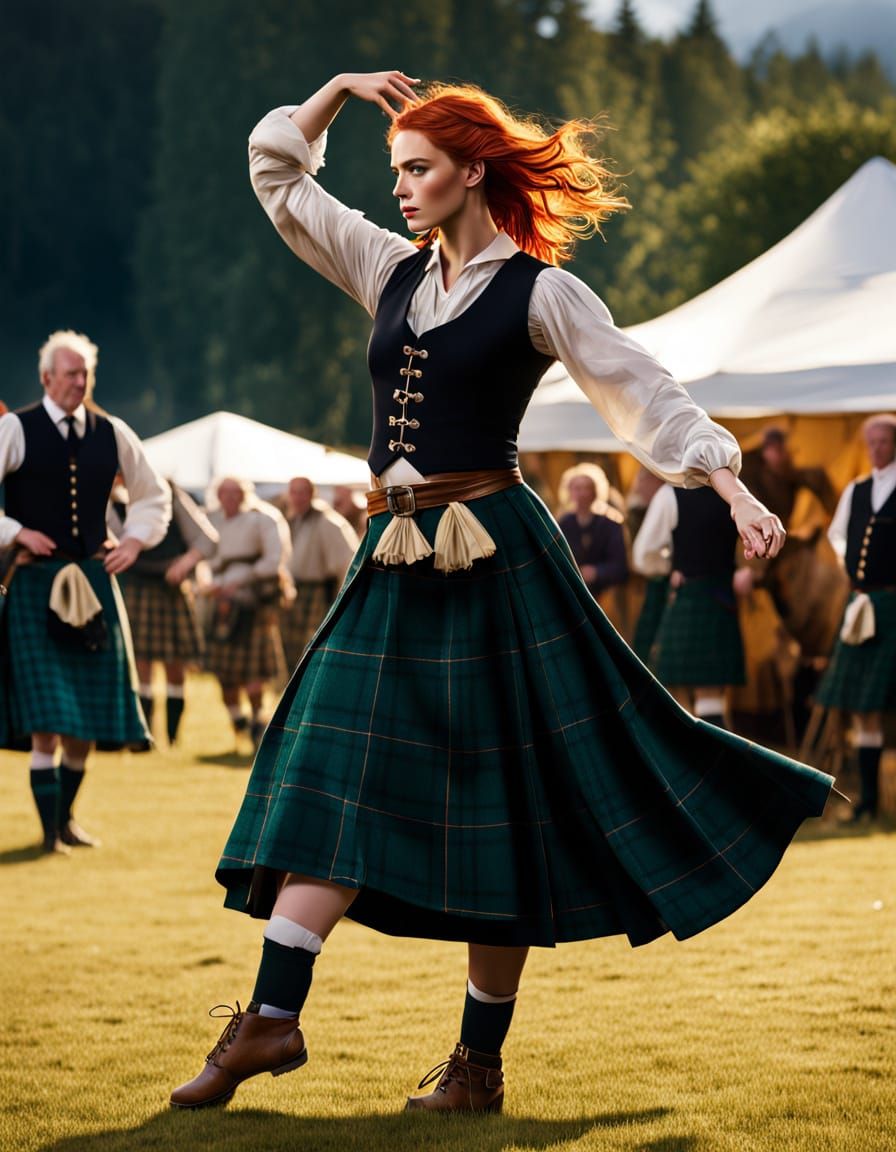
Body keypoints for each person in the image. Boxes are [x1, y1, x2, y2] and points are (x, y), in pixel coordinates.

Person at [169, 72, 833, 1113]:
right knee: (330, 768)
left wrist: (731, 485)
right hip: (390, 555)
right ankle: (271, 1017)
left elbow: (639, 389)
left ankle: (476, 1067)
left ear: (471, 172)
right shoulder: (385, 267)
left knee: (502, 809)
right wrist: (338, 93)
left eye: (419, 169)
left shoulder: (540, 290)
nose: (400, 189)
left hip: (495, 557)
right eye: (394, 172)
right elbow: (279, 176)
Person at [0, 330, 170, 853]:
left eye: (85, 374)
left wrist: (136, 541)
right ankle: (49, 834)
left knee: (85, 722)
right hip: (36, 582)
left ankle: (65, 819)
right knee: (48, 721)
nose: (79, 382)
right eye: (70, 373)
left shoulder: (112, 431)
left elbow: (153, 495)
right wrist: (14, 532)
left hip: (95, 580)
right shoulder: (15, 427)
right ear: (46, 377)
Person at [814, 413, 896, 821]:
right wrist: (850, 571)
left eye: (883, 441)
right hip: (860, 603)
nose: (876, 449)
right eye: (871, 442)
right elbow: (836, 534)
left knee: (881, 703)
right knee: (864, 706)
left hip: (892, 605)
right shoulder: (857, 489)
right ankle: (868, 802)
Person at [633, 483, 754, 729]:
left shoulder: (671, 494)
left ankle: (692, 760)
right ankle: (717, 759)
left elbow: (644, 556)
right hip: (722, 599)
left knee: (678, 691)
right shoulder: (737, 492)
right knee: (711, 694)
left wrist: (670, 568)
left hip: (689, 594)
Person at [109, 478, 219, 746]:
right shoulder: (108, 500)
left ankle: (171, 736)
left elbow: (207, 539)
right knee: (140, 663)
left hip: (171, 588)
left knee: (175, 666)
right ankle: (142, 738)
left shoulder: (169, 492)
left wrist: (185, 563)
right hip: (134, 586)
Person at [203, 477, 291, 748]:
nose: (230, 498)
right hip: (221, 606)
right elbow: (202, 557)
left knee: (255, 675)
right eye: (224, 493)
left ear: (245, 494)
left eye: (235, 492)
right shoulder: (210, 521)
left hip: (255, 605)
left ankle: (257, 724)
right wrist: (211, 586)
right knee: (225, 673)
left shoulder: (263, 519)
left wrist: (241, 580)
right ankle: (238, 721)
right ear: (217, 495)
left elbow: (274, 559)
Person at [280, 476, 360, 668]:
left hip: (319, 594)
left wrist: (341, 601)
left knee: (313, 652)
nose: (298, 497)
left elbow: (346, 564)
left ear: (312, 494)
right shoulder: (293, 520)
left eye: (302, 492)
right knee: (292, 652)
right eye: (294, 492)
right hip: (295, 592)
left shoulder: (328, 522)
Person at [555, 463, 628, 601]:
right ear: (569, 491)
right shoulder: (562, 523)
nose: (582, 494)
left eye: (587, 488)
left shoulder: (611, 523)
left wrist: (597, 572)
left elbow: (620, 566)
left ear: (596, 491)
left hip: (606, 595)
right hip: (572, 595)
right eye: (577, 488)